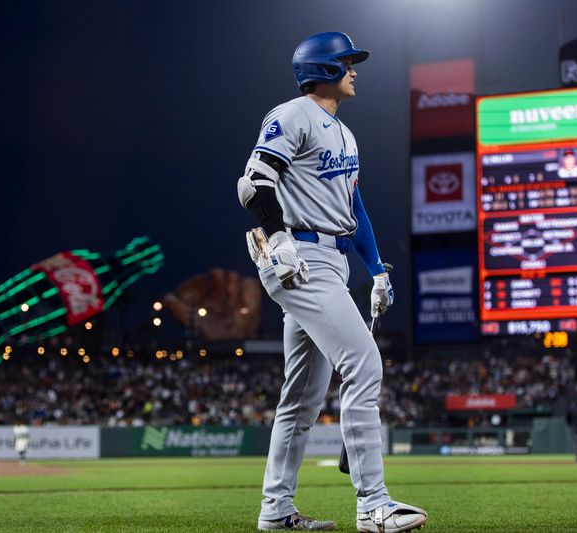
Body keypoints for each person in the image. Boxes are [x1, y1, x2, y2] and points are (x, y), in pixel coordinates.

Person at [238, 32, 428, 532]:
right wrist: (277, 238)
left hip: (331, 259)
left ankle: (275, 511)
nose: (355, 70)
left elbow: (354, 210)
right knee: (364, 364)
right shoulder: (293, 114)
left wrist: (377, 268)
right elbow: (254, 182)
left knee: (301, 399)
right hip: (296, 256)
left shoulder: (344, 132)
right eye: (348, 62)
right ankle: (374, 506)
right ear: (323, 69)